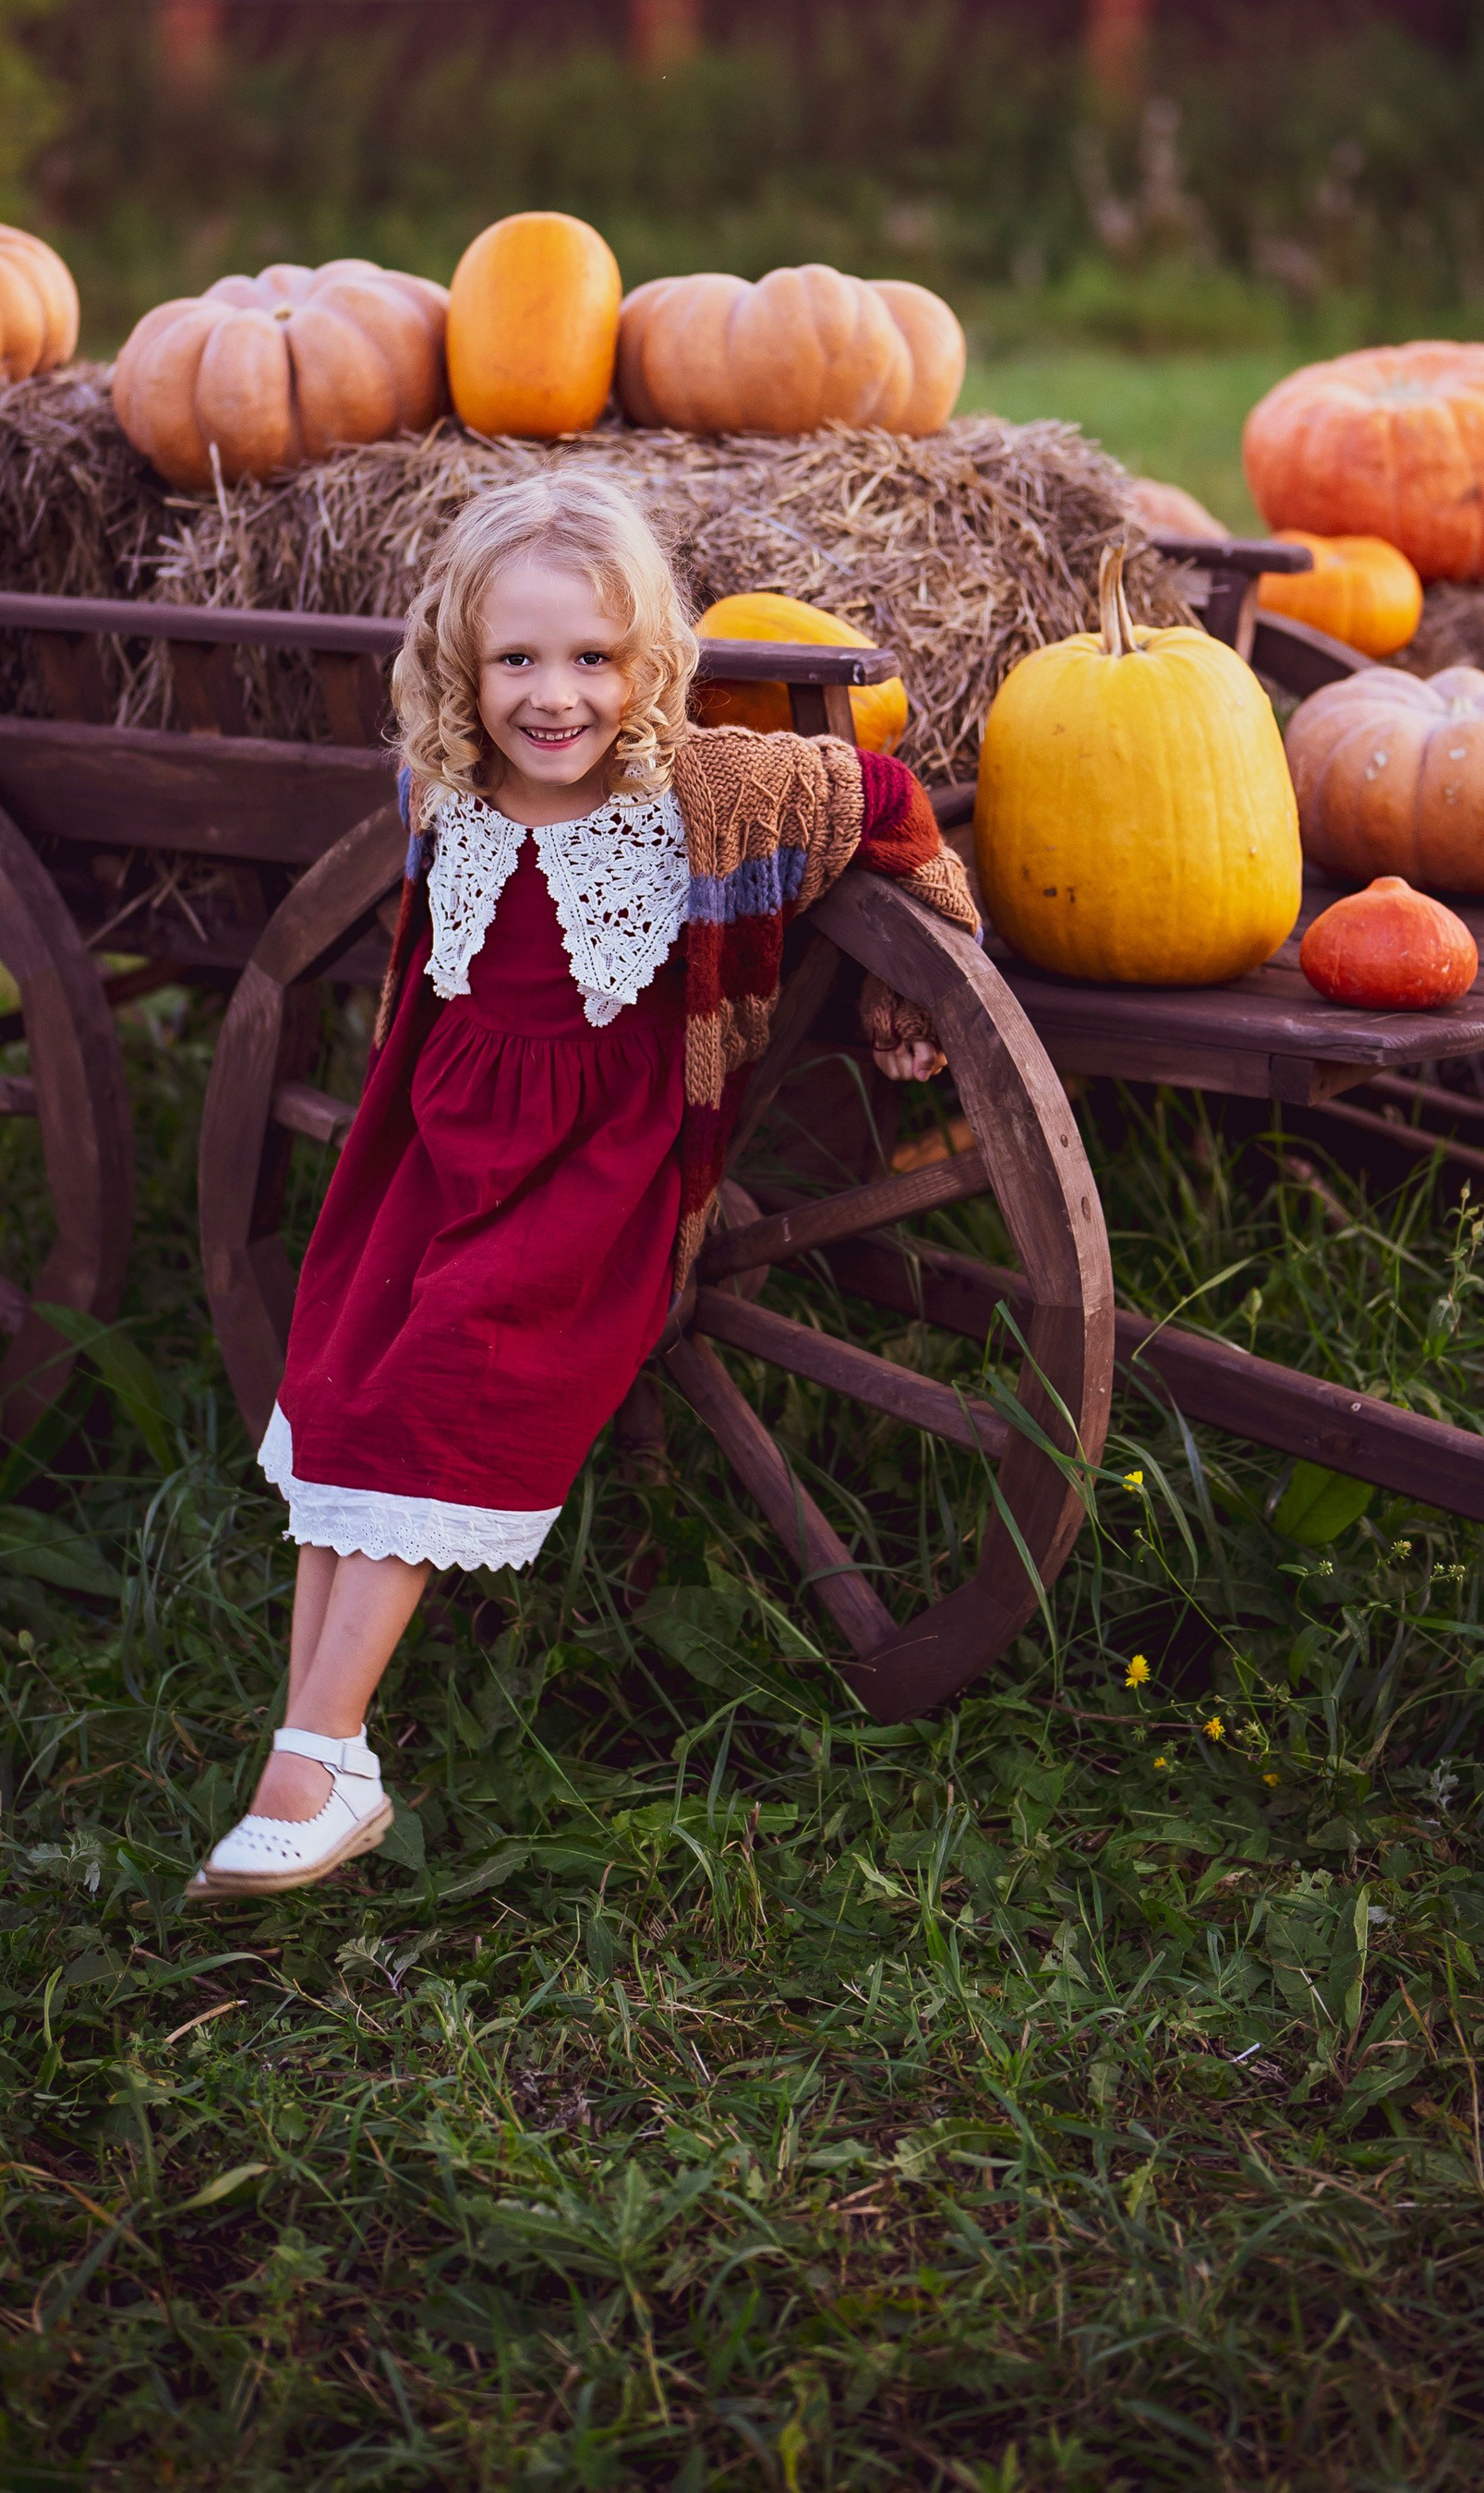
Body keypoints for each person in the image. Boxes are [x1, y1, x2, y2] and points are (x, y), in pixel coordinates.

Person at [188, 466, 977, 1900]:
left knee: (440, 1372)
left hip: (590, 1168)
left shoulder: (709, 792)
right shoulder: (441, 784)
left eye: (596, 659)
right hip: (436, 1147)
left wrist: (915, 968)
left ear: (651, 662)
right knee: (345, 1383)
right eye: (517, 661)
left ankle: (310, 1765)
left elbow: (883, 797)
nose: (556, 697)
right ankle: (320, 1750)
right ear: (461, 664)